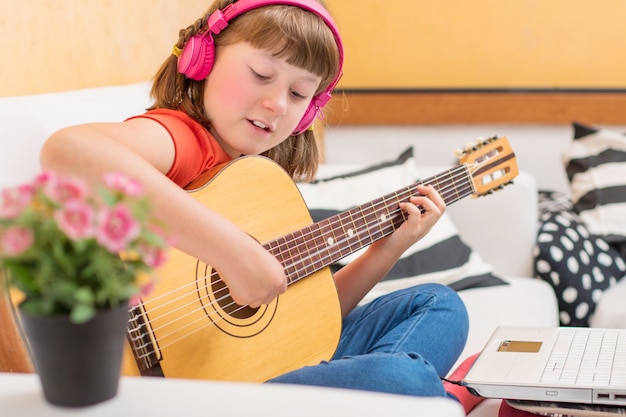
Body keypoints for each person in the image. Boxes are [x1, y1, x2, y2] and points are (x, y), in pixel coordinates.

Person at [39, 0, 479, 410]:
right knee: (405, 384)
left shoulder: (256, 178)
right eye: (262, 74)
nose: (276, 104)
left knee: (438, 304)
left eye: (299, 94)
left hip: (258, 374)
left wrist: (387, 248)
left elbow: (302, 322)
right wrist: (234, 253)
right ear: (202, 58)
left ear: (310, 113)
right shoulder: (183, 140)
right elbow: (69, 150)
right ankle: (406, 396)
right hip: (177, 387)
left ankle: (387, 394)